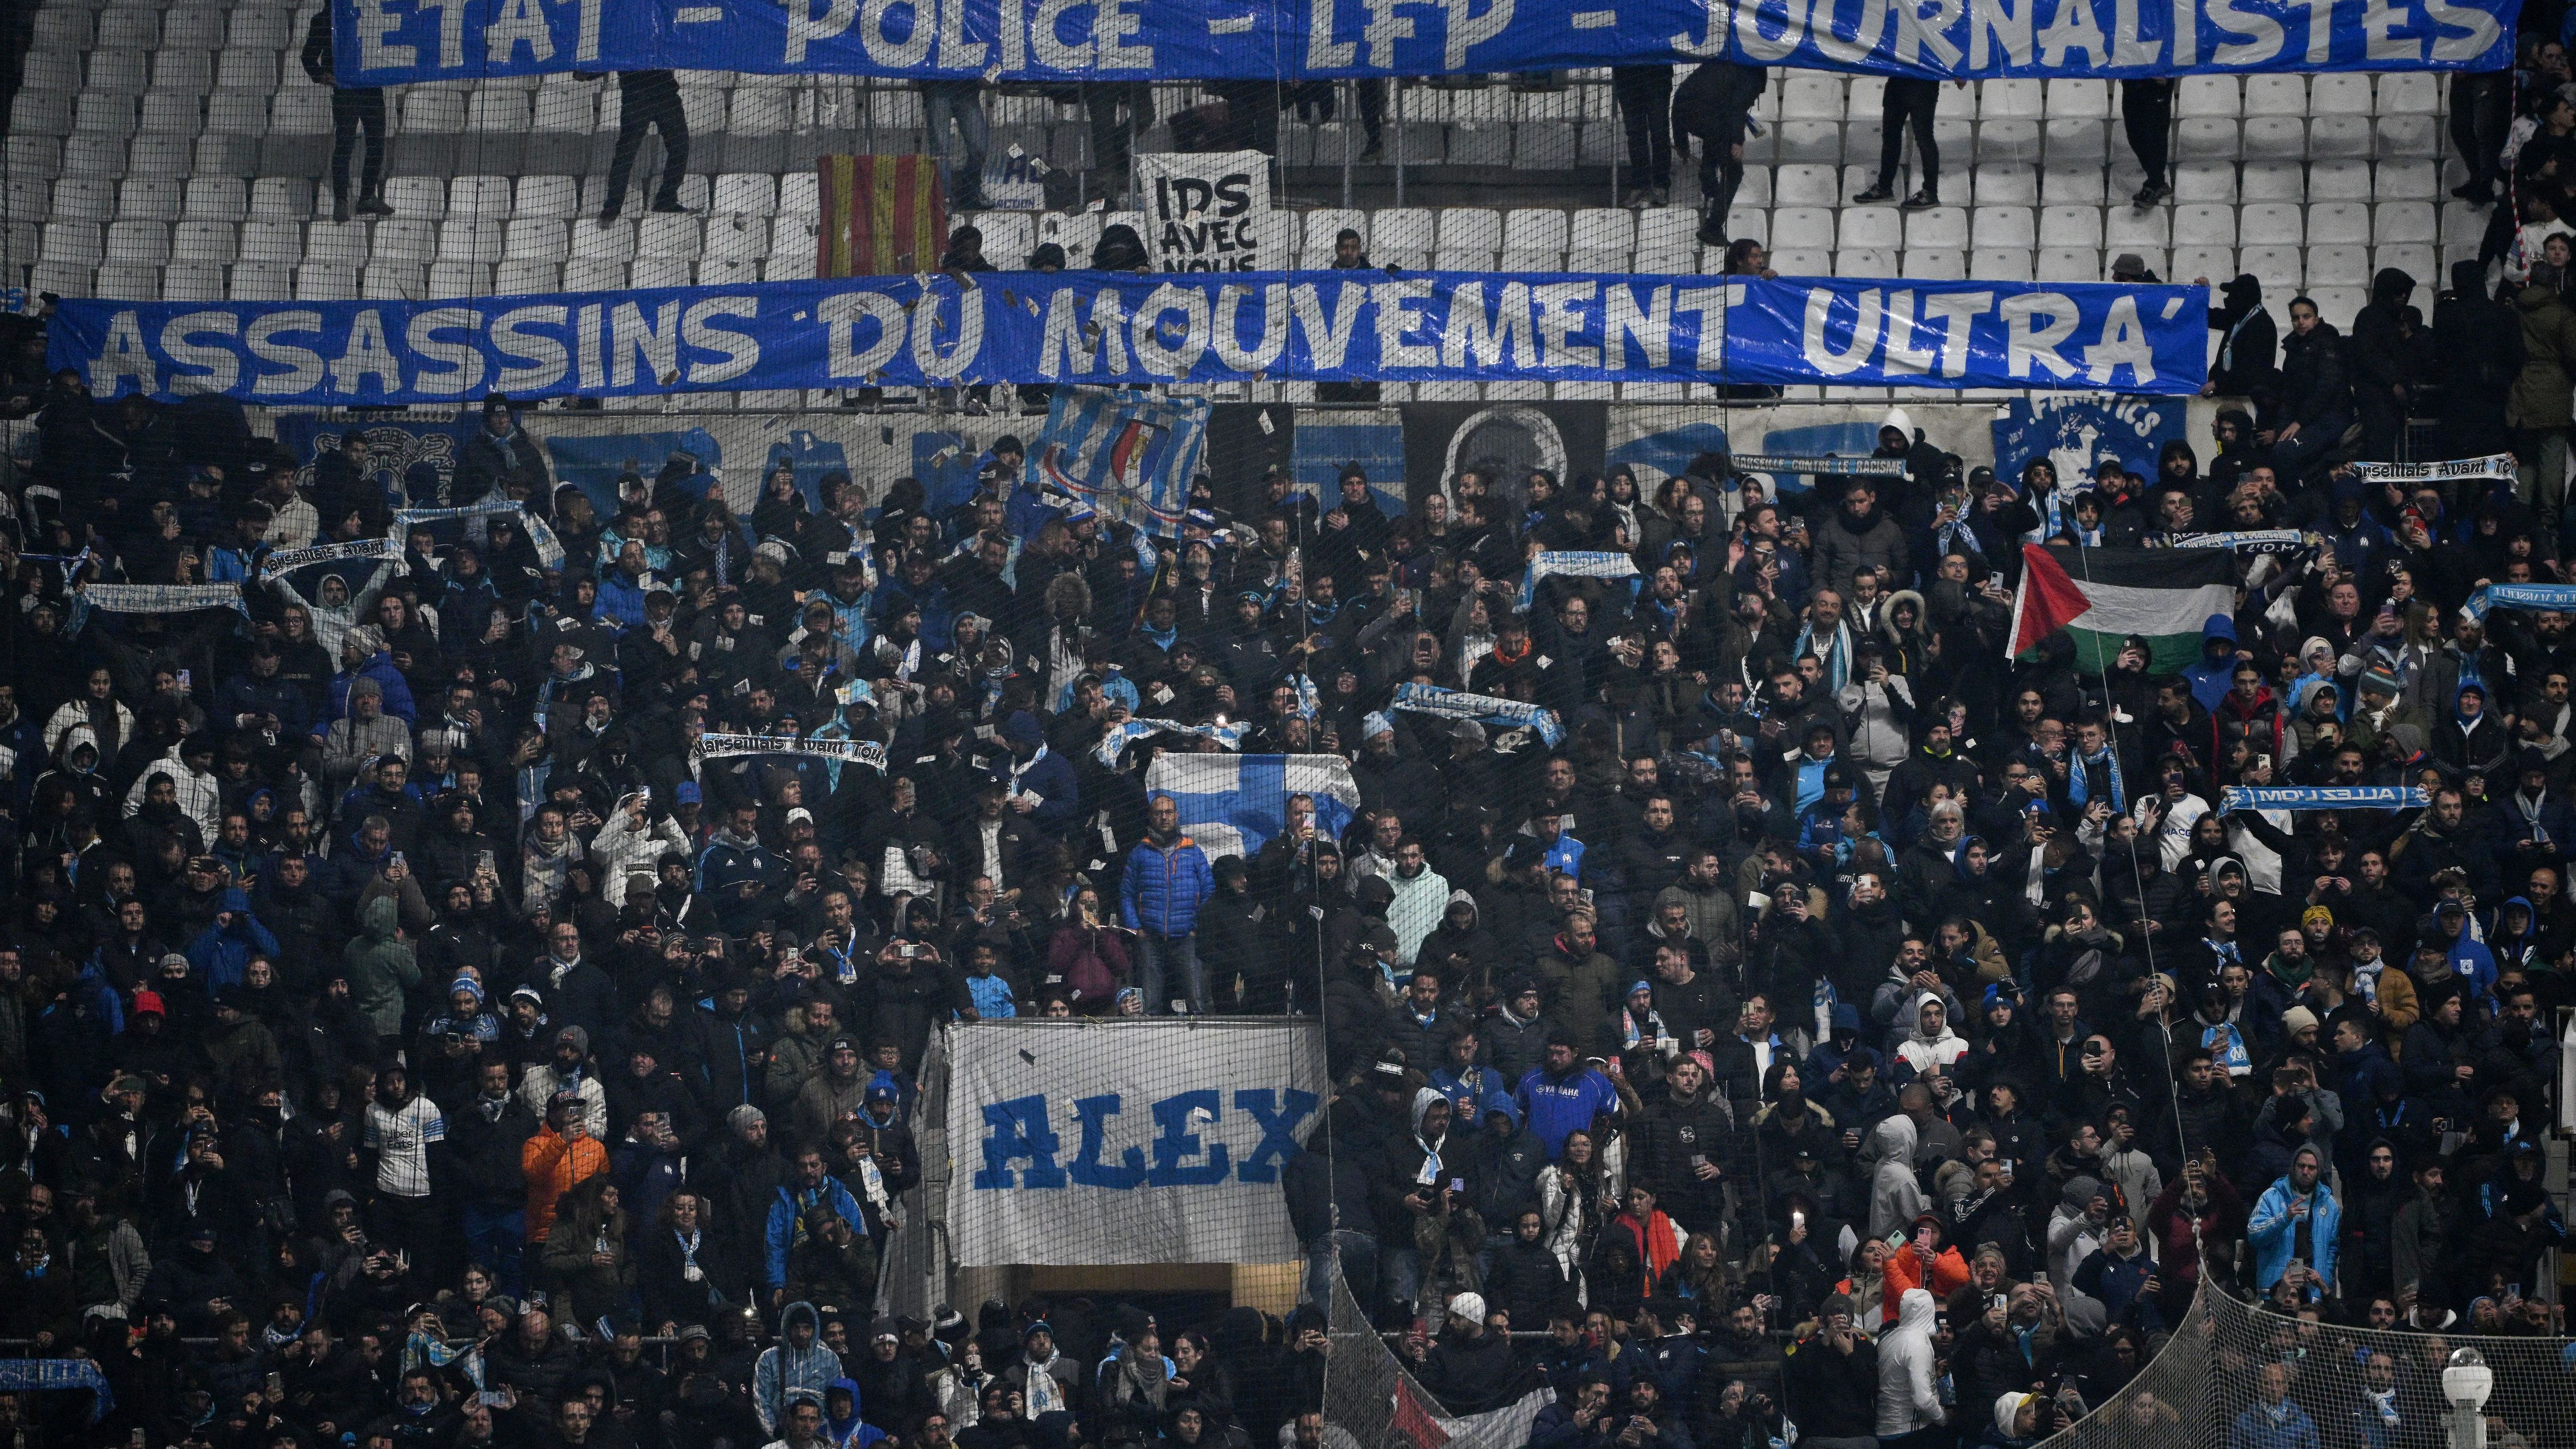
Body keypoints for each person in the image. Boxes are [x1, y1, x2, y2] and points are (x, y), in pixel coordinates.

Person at [300, 10, 390, 222]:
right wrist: (322, 76)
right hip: (345, 93)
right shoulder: (323, 20)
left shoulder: (367, 15)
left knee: (377, 144)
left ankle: (367, 196)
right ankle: (342, 201)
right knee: (344, 146)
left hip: (371, 88)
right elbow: (308, 57)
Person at [599, 71, 692, 222]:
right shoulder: (624, 46)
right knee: (626, 153)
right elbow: (612, 55)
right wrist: (588, 72)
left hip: (664, 94)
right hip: (636, 97)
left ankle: (666, 200)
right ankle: (612, 207)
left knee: (680, 146)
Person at [1854, 79, 1951, 209]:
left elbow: (1948, 57)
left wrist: (1958, 72)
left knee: (1924, 139)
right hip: (1899, 82)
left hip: (1923, 84)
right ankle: (1884, 187)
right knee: (1891, 136)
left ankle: (1930, 192)